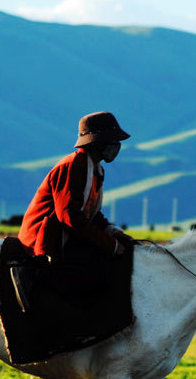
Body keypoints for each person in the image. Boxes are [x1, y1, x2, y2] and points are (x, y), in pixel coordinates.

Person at [11, 111, 135, 312]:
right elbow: (70, 217)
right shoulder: (74, 165)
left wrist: (113, 233)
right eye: (111, 141)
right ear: (96, 142)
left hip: (66, 233)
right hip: (45, 238)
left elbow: (91, 214)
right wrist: (110, 245)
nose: (116, 146)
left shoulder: (96, 169)